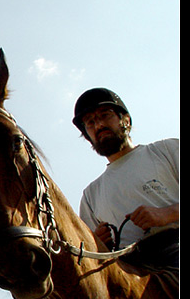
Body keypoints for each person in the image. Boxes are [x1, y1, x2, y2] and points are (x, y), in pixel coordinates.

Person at [73, 88, 178, 271]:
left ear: (126, 121)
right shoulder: (90, 195)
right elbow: (89, 256)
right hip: (128, 269)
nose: (98, 125)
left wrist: (166, 214)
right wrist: (97, 243)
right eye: (90, 122)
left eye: (105, 115)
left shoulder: (166, 150)